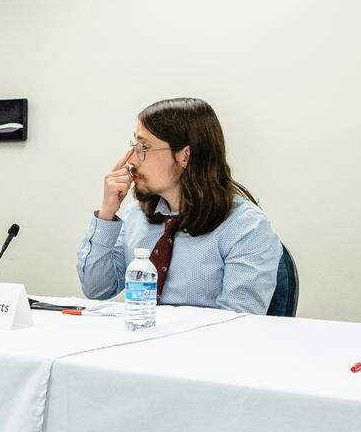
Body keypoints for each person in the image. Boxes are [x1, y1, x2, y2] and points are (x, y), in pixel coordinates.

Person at [77, 98, 283, 314]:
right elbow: (97, 289)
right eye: (134, 146)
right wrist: (107, 212)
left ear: (184, 155)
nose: (133, 161)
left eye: (144, 147)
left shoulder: (246, 227)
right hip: (141, 341)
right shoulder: (135, 215)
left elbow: (237, 323)